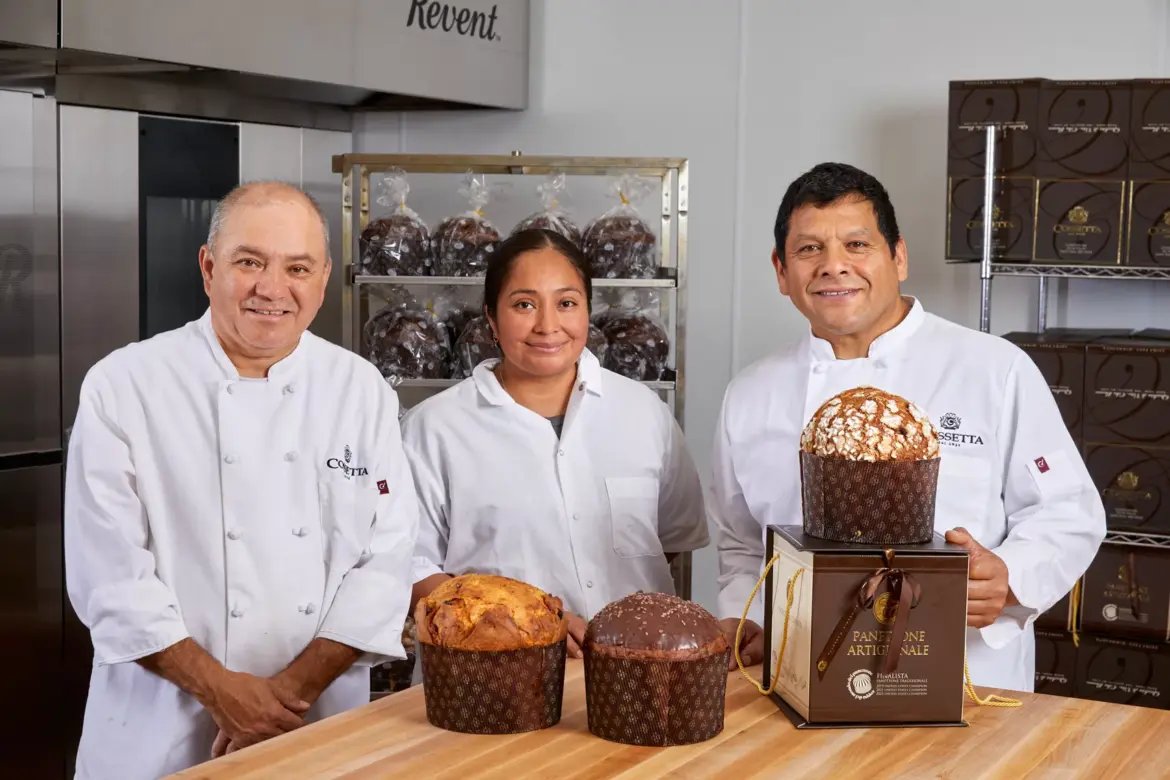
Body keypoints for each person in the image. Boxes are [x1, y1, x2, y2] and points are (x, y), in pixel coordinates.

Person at [64, 182, 420, 779]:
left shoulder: (359, 390)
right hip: (160, 734)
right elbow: (111, 577)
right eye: (249, 262)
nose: (272, 288)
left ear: (323, 278)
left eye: (297, 267)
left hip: (314, 722)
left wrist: (279, 701)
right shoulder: (124, 386)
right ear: (209, 267)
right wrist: (222, 692)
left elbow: (386, 558)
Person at [711, 162, 1105, 692]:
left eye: (857, 244)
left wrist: (1010, 576)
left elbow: (1068, 510)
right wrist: (748, 617)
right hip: (798, 679)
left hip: (966, 685)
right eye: (809, 250)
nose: (833, 266)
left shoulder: (993, 368)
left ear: (898, 257)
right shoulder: (749, 395)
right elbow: (741, 545)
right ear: (781, 272)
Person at [403, 229, 709, 655]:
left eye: (566, 303)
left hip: (634, 674)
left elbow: (670, 538)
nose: (547, 326)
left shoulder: (644, 413)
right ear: (491, 318)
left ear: (587, 311)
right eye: (524, 304)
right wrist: (529, 622)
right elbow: (411, 566)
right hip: (493, 675)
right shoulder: (434, 427)